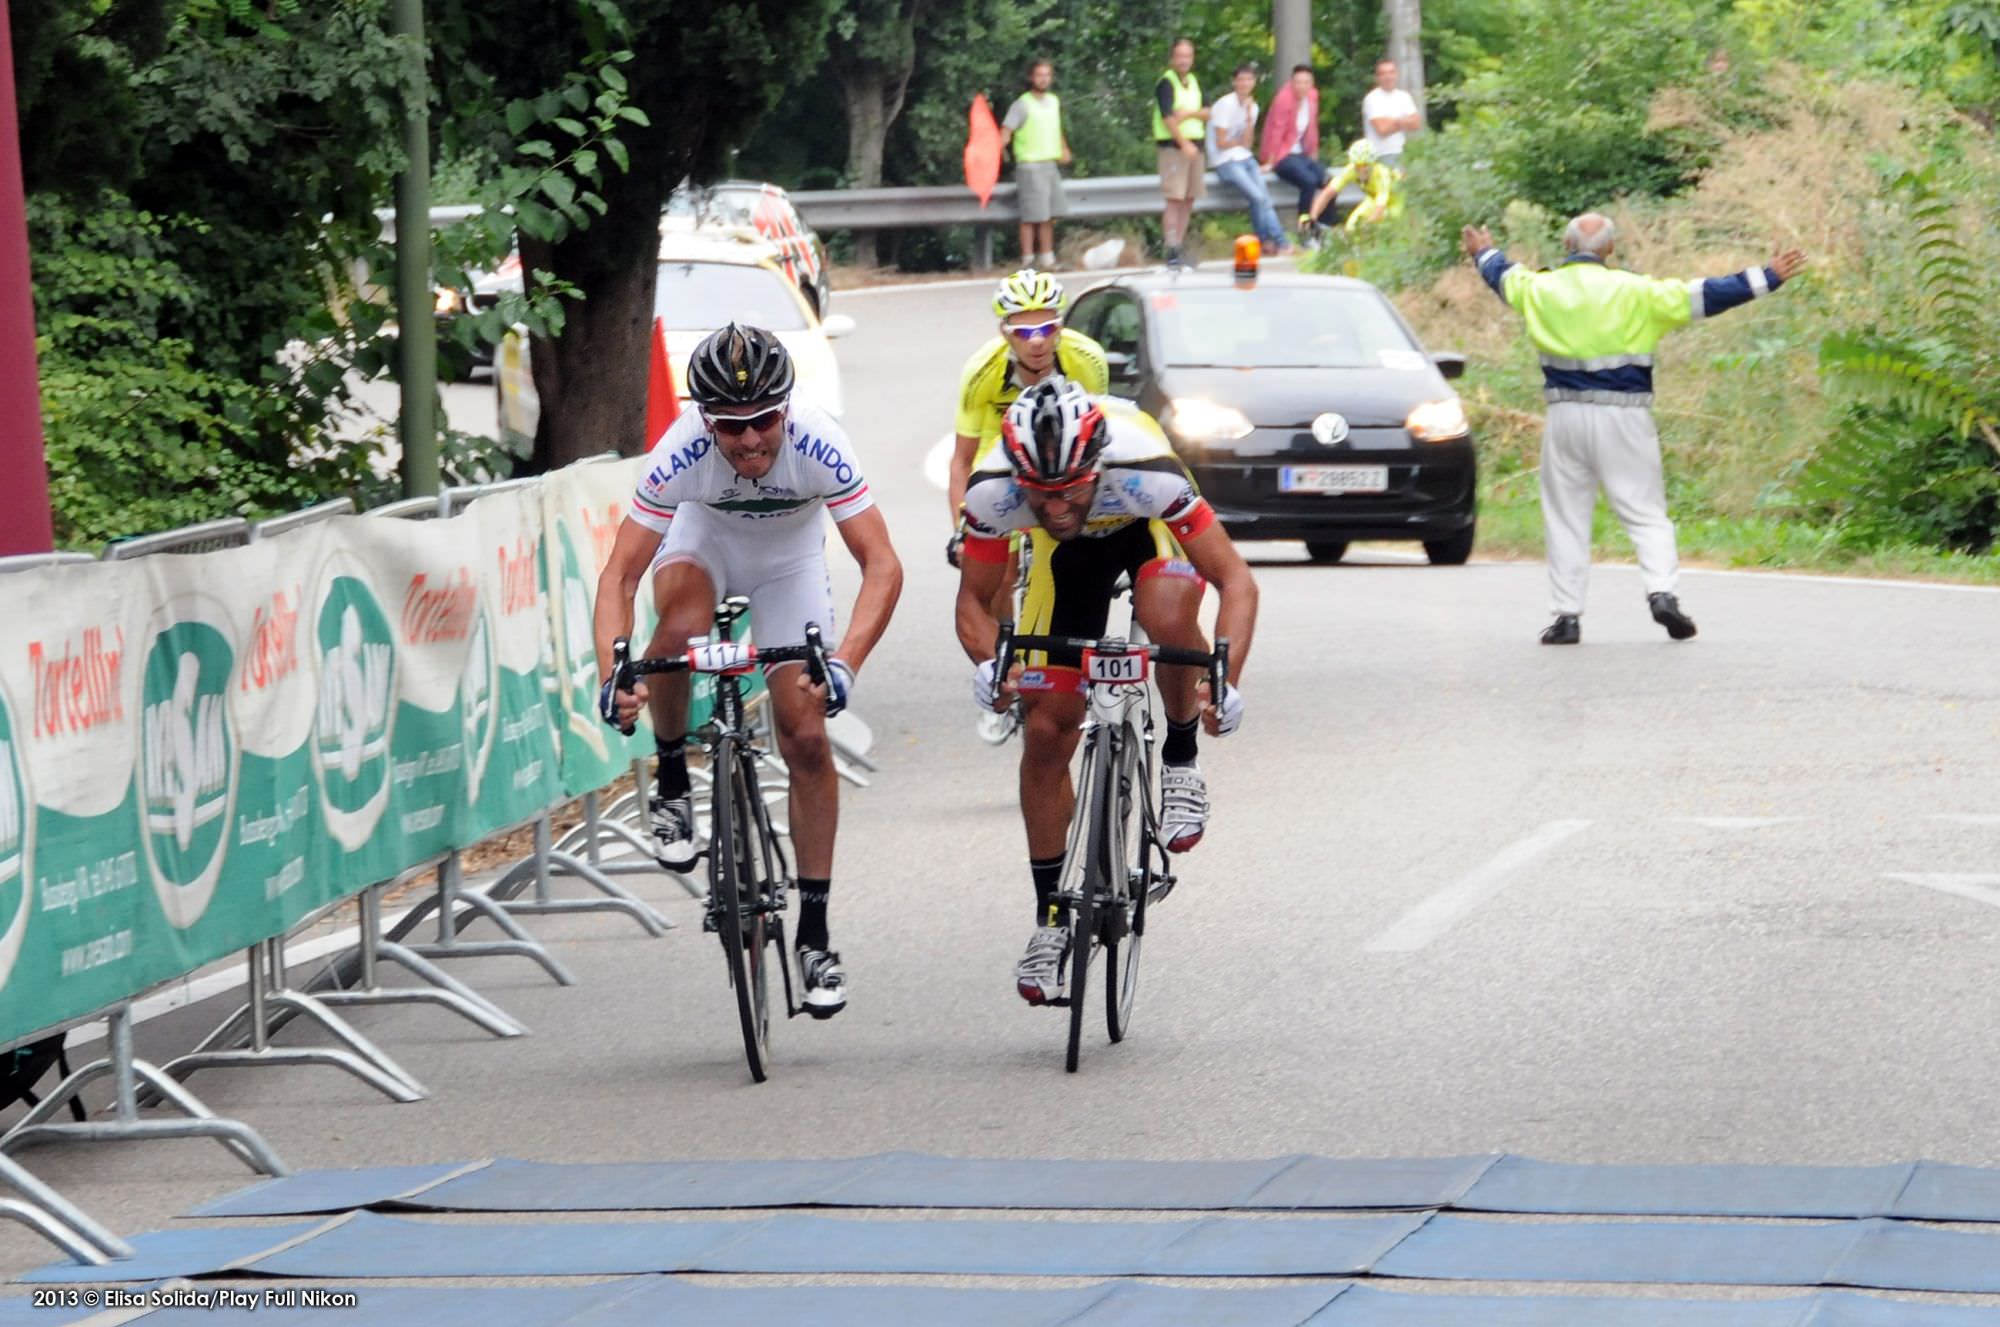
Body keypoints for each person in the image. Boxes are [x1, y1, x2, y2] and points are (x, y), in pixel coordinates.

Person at [594, 324, 904, 1016]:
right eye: (730, 426)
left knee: (806, 736)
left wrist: (846, 661)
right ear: (707, 420)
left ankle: (816, 935)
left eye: (763, 419)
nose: (750, 438)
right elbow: (619, 573)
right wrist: (612, 672)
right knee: (676, 632)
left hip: (788, 565)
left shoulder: (819, 442)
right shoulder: (683, 453)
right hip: (703, 545)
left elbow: (882, 563)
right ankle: (673, 777)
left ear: (786, 410)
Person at [954, 378, 1258, 1005]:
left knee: (1170, 608)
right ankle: (1052, 921)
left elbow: (1235, 580)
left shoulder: (1148, 469)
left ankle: (1178, 760)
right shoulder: (993, 493)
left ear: (1097, 464)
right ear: (1019, 479)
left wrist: (1225, 681)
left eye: (1071, 488)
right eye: (1042, 493)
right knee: (1045, 729)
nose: (1059, 505)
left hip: (1140, 534)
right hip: (1063, 568)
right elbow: (974, 604)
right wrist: (990, 666)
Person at [1462, 215, 1807, 643]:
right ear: (1609, 250)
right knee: (1645, 513)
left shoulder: (1540, 288)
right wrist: (1767, 276)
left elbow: (1503, 275)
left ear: (1566, 245)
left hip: (1565, 417)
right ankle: (1662, 593)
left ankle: (1567, 618)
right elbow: (1708, 295)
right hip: (1625, 417)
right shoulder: (1638, 292)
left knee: (1566, 517)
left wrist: (1482, 251)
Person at [947, 269, 1108, 540]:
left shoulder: (1089, 359)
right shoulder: (980, 371)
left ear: (1060, 327)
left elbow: (1101, 440)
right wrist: (962, 533)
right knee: (999, 564)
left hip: (1065, 454)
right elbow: (962, 462)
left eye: (1047, 329)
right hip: (999, 446)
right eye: (1023, 332)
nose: (1037, 342)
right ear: (1004, 333)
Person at [1207, 63, 1286, 255]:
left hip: (1245, 158)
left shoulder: (1253, 107)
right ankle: (1279, 243)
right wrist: (1238, 142)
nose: (1245, 83)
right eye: (1241, 79)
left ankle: (1268, 242)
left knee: (1264, 198)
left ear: (1254, 82)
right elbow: (1221, 142)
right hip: (1225, 161)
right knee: (1258, 197)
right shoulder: (1226, 104)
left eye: (1249, 79)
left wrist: (1249, 118)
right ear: (1234, 82)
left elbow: (1248, 144)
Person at [1002, 58, 1071, 270]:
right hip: (1030, 165)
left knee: (1048, 215)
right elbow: (1006, 131)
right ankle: (1028, 260)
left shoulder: (1053, 101)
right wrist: (998, 150)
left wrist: (1064, 148)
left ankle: (1047, 259)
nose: (1043, 79)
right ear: (1031, 77)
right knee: (1032, 215)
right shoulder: (1022, 104)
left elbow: (1056, 128)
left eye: (1047, 75)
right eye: (1039, 75)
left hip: (1049, 163)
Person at [1152, 37, 1207, 269]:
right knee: (1174, 199)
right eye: (1180, 56)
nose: (1184, 60)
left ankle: (1180, 246)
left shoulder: (1194, 81)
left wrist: (1188, 114)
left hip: (1196, 146)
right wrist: (1183, 142)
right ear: (1172, 58)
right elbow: (1168, 117)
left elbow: (1208, 111)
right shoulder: (1166, 83)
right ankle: (1171, 248)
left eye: (1188, 56)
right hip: (1175, 148)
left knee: (1188, 199)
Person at [1260, 64, 1327, 249]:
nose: (1302, 86)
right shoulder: (1284, 99)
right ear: (1292, 82)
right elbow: (1276, 130)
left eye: (1306, 82)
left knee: (1327, 181)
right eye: (1297, 82)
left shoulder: (1312, 97)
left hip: (1300, 153)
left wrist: (1313, 152)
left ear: (1311, 83)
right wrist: (1270, 161)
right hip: (1283, 154)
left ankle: (1324, 228)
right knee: (1308, 182)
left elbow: (1312, 127)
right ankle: (1305, 233)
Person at [1308, 140, 1398, 237]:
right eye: (1358, 166)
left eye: (1365, 165)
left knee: (1385, 227)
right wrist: (1313, 218)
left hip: (1396, 201)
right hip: (1374, 199)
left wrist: (1365, 227)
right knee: (1351, 227)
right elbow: (1327, 194)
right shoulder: (1351, 170)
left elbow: (1380, 208)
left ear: (1373, 164)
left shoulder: (1381, 174)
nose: (1361, 170)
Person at [1361, 58, 1422, 167]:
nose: (1388, 77)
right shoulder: (1372, 99)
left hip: (1400, 152)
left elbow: (1416, 124)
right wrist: (1402, 121)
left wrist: (1391, 121)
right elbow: (1382, 130)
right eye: (1383, 73)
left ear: (1396, 75)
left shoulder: (1404, 97)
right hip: (1378, 155)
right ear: (1377, 77)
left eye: (1391, 72)